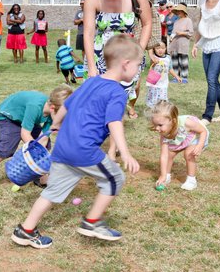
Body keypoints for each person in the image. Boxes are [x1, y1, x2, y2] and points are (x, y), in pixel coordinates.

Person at [12, 34, 142, 249]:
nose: (138, 71)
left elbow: (67, 105)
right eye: (138, 66)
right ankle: (92, 222)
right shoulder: (118, 92)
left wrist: (56, 123)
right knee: (115, 178)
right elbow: (114, 123)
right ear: (125, 64)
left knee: (52, 192)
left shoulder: (91, 82)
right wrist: (125, 153)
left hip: (63, 148)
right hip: (84, 151)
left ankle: (25, 230)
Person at [0, 85, 73, 193]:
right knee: (6, 149)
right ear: (52, 108)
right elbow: (25, 133)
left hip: (26, 119)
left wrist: (38, 157)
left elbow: (44, 137)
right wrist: (33, 154)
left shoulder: (54, 113)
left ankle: (41, 177)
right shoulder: (35, 106)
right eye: (61, 119)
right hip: (10, 116)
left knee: (44, 147)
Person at [83, 0, 151, 118]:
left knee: (120, 96)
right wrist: (92, 66)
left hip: (127, 54)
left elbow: (147, 24)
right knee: (98, 98)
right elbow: (88, 33)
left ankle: (115, 130)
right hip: (100, 55)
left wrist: (139, 52)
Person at [150, 100, 209, 191]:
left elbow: (203, 131)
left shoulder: (187, 123)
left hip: (196, 137)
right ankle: (166, 176)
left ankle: (191, 180)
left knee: (188, 153)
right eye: (155, 125)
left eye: (160, 125)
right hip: (181, 139)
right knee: (169, 154)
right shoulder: (164, 132)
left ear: (173, 121)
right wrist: (162, 175)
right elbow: (164, 155)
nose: (157, 128)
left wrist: (199, 146)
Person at [146, 42, 182, 109]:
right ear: (154, 49)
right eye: (158, 48)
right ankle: (152, 109)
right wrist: (153, 61)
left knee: (162, 97)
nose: (160, 50)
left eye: (162, 48)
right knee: (153, 97)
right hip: (154, 82)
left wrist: (176, 76)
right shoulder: (154, 57)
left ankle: (161, 109)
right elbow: (151, 67)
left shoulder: (168, 58)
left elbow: (170, 69)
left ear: (165, 48)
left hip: (163, 83)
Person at [168, 4, 194, 83]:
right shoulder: (176, 21)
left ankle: (184, 77)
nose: (178, 12)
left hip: (183, 43)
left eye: (180, 11)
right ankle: (176, 77)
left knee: (183, 60)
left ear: (183, 12)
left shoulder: (188, 20)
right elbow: (173, 32)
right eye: (177, 11)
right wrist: (171, 37)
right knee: (175, 60)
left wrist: (181, 33)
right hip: (175, 43)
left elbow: (190, 33)